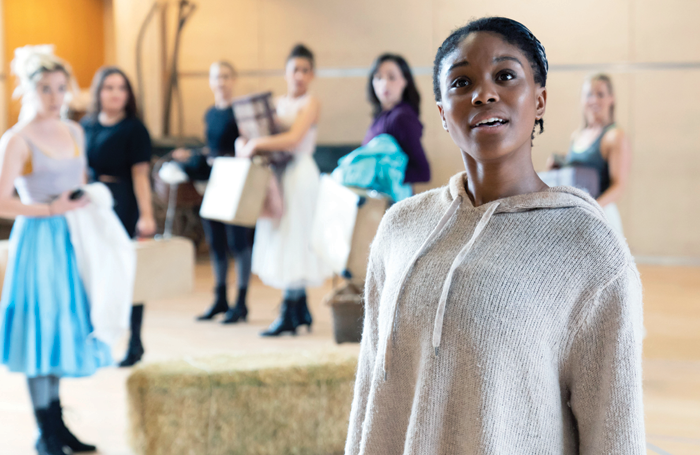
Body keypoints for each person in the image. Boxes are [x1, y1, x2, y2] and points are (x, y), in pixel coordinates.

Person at [345, 17, 644, 454]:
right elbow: (370, 391)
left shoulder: (588, 249)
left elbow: (614, 431)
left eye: (505, 76)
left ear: (539, 99)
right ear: (444, 113)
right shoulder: (400, 227)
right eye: (461, 82)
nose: (483, 94)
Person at [0, 45, 108, 455]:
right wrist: (49, 208)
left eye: (61, 88)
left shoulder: (75, 131)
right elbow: (1, 199)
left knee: (63, 326)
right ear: (30, 90)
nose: (55, 97)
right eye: (46, 88)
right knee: (39, 327)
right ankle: (44, 431)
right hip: (37, 240)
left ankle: (57, 423)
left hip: (71, 238)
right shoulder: (17, 139)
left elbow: (80, 181)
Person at [237, 44, 331, 336]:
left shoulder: (311, 103)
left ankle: (290, 311)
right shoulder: (277, 103)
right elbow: (256, 132)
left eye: (305, 70)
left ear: (312, 74)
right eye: (295, 69)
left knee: (296, 237)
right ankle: (300, 308)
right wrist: (245, 142)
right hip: (278, 174)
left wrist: (256, 144)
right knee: (281, 235)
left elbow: (293, 138)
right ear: (286, 72)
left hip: (300, 173)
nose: (300, 75)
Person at [81, 66, 155, 367]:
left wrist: (147, 214)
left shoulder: (135, 128)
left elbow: (141, 176)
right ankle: (99, 340)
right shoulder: (85, 126)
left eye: (121, 88)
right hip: (92, 205)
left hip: (124, 202)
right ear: (98, 92)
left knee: (128, 271)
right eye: (108, 87)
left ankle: (135, 340)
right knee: (97, 270)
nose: (114, 93)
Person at [173, 61, 254, 324]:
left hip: (234, 181)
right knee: (216, 242)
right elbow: (213, 146)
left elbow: (246, 145)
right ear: (210, 81)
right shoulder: (210, 113)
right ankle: (220, 298)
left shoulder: (240, 112)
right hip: (213, 182)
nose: (221, 82)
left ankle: (241, 301)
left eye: (226, 76)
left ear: (234, 80)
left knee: (238, 242)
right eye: (217, 77)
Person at [549, 74, 631, 235]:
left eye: (600, 94)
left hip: (601, 214)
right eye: (589, 95)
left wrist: (593, 209)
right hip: (576, 214)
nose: (593, 100)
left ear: (611, 99)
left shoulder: (614, 136)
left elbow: (618, 186)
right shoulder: (577, 135)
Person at [364, 54, 431, 186]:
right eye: (378, 77)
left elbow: (423, 172)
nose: (384, 83)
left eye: (391, 77)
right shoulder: (381, 116)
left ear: (405, 81)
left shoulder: (401, 117)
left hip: (396, 202)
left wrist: (383, 176)